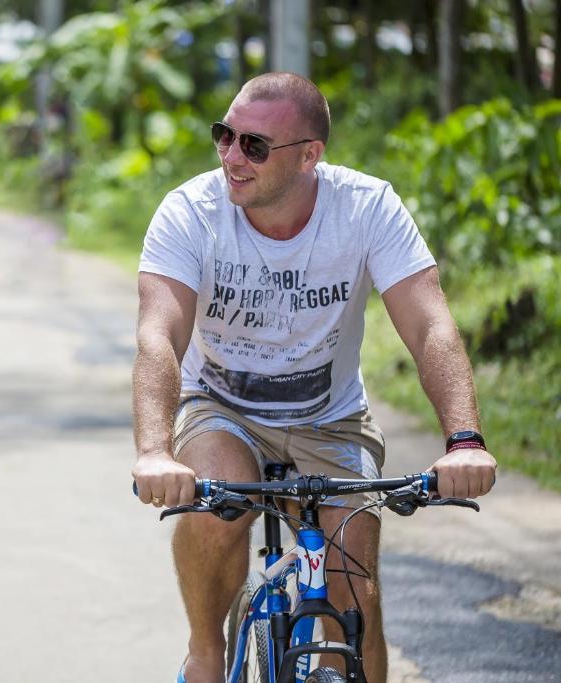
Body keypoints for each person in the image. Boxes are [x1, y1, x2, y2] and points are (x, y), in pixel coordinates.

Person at [131, 72, 496, 683]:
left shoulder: (367, 207)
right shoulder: (192, 212)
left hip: (332, 416)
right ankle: (205, 650)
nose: (230, 158)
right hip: (222, 407)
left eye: (253, 146)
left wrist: (465, 441)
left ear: (309, 156)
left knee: (355, 586)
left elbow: (430, 325)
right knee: (215, 496)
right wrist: (153, 453)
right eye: (225, 136)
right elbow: (158, 335)